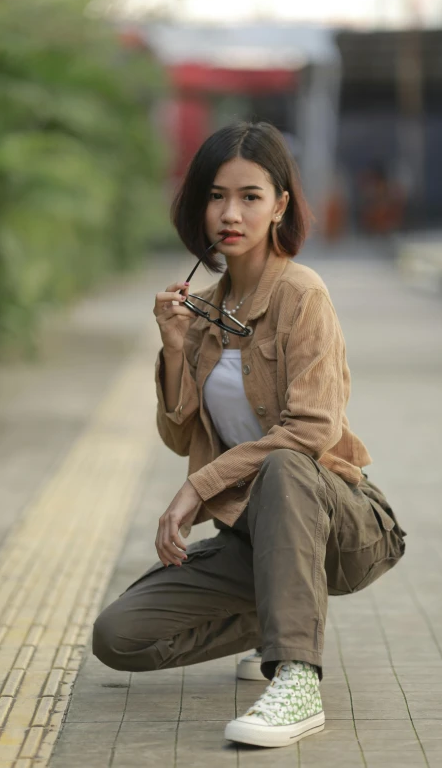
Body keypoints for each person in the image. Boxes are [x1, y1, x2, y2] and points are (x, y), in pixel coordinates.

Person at [92, 121, 407, 749]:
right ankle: (281, 612)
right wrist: (175, 346)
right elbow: (181, 436)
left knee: (284, 466)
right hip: (255, 538)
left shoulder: (302, 294)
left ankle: (296, 679)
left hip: (345, 526)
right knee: (120, 635)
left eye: (250, 196)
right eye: (215, 196)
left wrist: (195, 491)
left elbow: (313, 430)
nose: (229, 213)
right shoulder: (204, 310)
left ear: (281, 204)